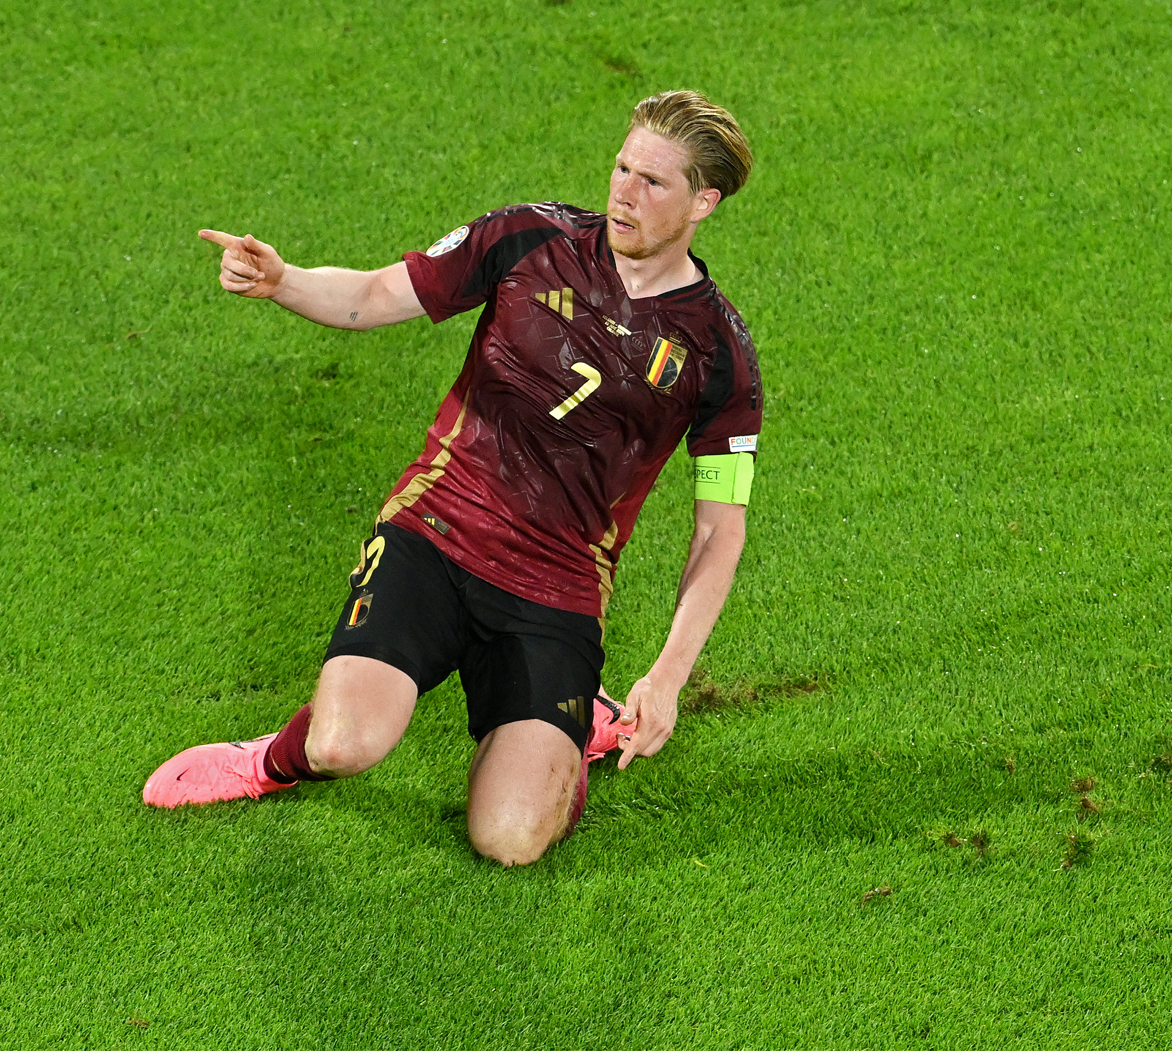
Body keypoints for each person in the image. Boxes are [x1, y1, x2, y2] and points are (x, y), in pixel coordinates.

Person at [144, 90, 763, 867]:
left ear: (703, 201)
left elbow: (719, 529)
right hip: (437, 531)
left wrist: (669, 676)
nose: (623, 192)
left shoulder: (717, 352)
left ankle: (570, 735)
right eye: (621, 167)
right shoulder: (529, 239)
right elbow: (373, 294)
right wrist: (284, 281)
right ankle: (270, 759)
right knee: (346, 744)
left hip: (557, 587)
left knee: (509, 840)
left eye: (653, 183)